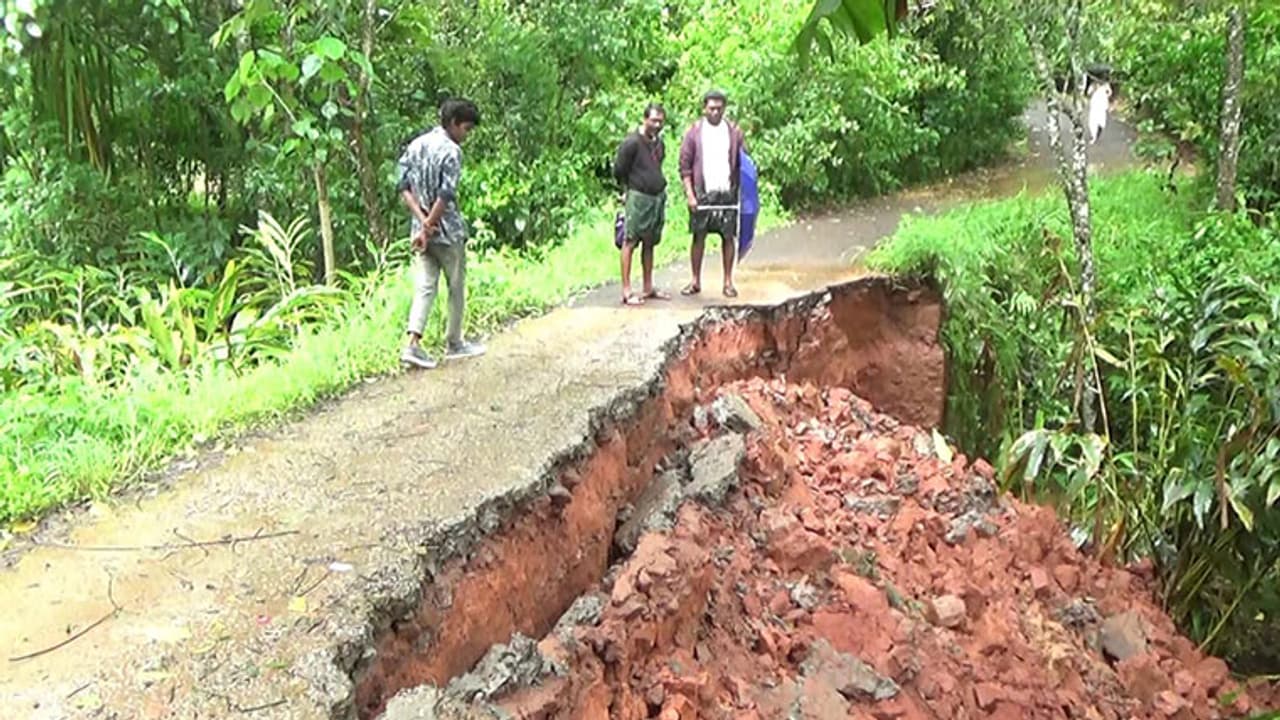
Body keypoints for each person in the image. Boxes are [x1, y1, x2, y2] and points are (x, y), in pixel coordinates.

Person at [397, 98, 487, 369]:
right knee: (456, 284)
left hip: (421, 232)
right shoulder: (451, 152)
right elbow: (445, 194)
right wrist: (431, 224)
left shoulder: (416, 145)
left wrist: (421, 222)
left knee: (425, 286)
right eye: (466, 129)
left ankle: (413, 343)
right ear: (454, 124)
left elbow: (402, 186)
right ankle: (455, 342)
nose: (466, 136)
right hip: (447, 232)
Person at [678, 90, 747, 298]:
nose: (715, 112)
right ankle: (695, 281)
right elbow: (684, 167)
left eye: (719, 108)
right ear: (704, 108)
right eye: (711, 108)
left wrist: (745, 193)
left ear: (724, 108)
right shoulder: (694, 132)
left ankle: (727, 282)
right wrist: (690, 195)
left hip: (727, 192)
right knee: (699, 236)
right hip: (703, 193)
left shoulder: (734, 132)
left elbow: (744, 163)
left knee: (728, 237)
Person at [613, 103, 670, 306]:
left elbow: (658, 164)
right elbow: (619, 169)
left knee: (650, 241)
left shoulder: (658, 143)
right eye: (654, 120)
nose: (657, 125)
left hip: (656, 197)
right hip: (638, 197)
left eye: (660, 121)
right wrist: (626, 191)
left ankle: (648, 286)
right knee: (630, 241)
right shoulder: (631, 143)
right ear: (645, 119)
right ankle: (627, 290)